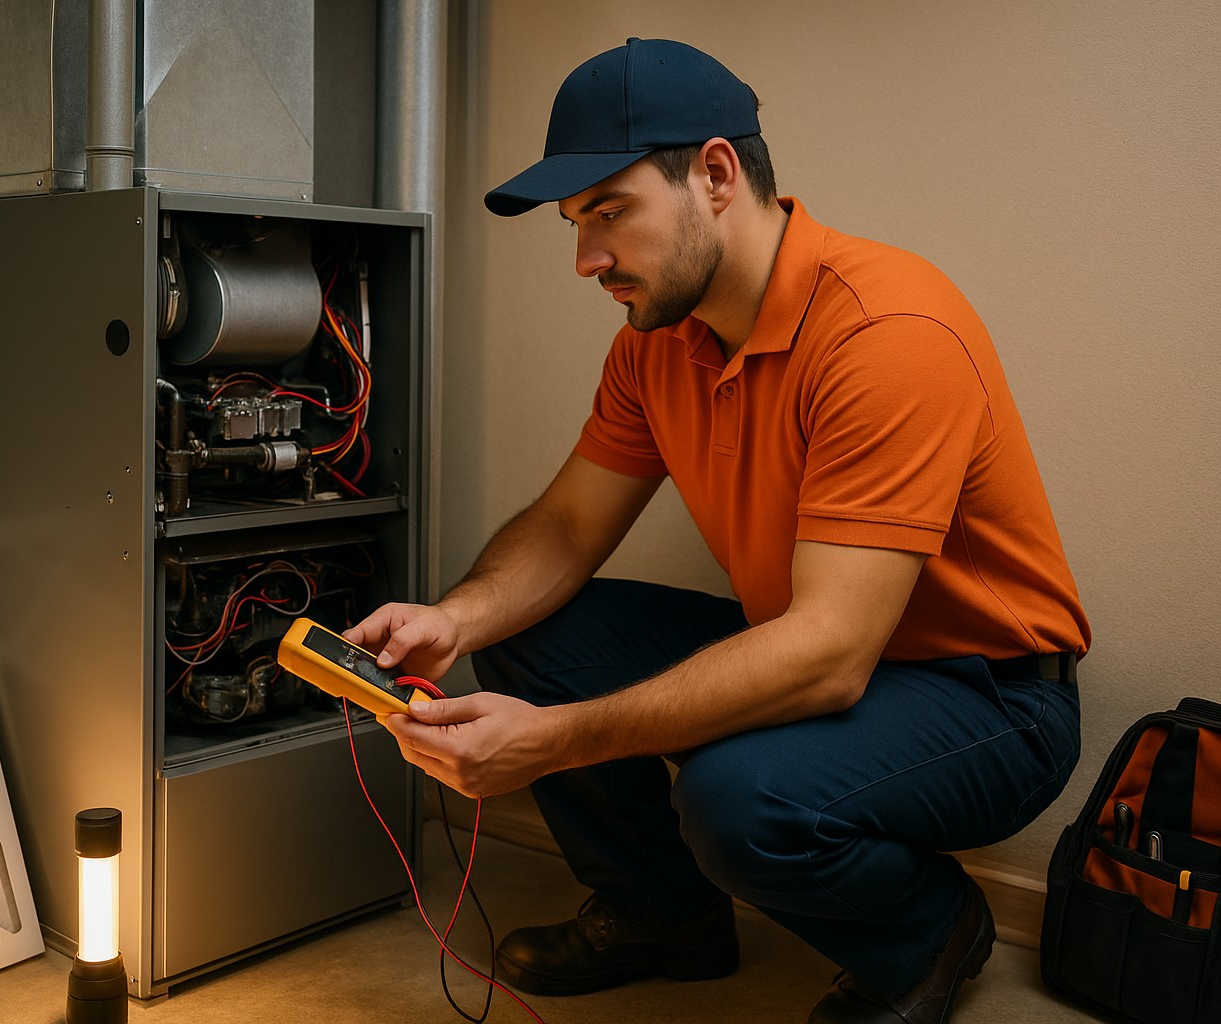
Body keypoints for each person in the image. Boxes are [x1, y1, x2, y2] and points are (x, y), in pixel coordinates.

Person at [345, 36, 1091, 1024]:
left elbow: (828, 656)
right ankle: (665, 918)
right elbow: (568, 528)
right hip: (814, 645)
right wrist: (457, 621)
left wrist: (557, 741)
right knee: (527, 625)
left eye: (608, 212)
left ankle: (927, 933)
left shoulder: (887, 331)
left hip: (988, 694)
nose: (586, 259)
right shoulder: (658, 343)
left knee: (738, 800)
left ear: (716, 173)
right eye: (575, 224)